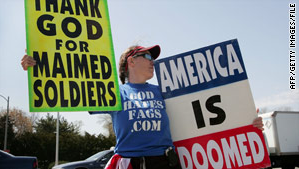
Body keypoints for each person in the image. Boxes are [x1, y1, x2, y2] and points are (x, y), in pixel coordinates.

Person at [21, 45, 264, 169]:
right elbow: (71, 86)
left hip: (164, 162)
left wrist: (245, 123)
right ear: (131, 61)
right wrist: (38, 65)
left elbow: (204, 116)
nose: (153, 62)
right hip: (129, 163)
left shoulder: (164, 91)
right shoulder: (115, 93)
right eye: (148, 57)